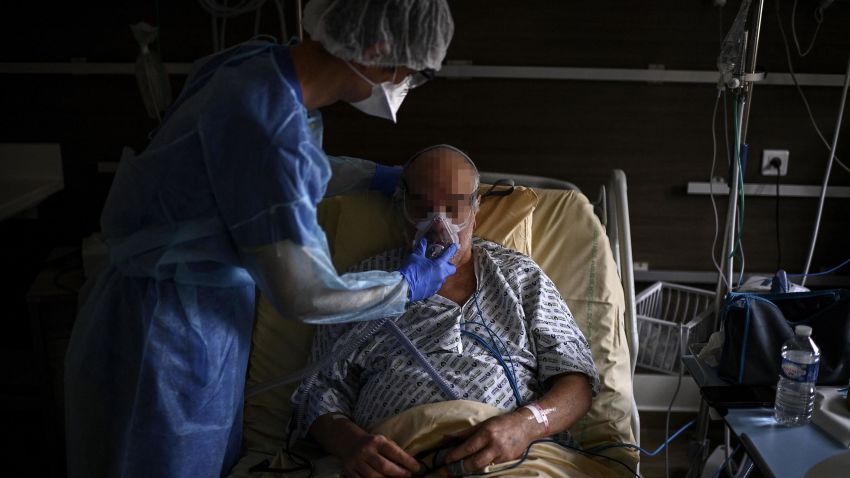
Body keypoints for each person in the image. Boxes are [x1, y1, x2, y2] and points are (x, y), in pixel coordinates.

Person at [63, 1, 455, 477]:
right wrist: (404, 286)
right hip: (168, 336)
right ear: (375, 50)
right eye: (411, 75)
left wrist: (370, 176)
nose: (405, 87)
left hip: (174, 306)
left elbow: (255, 173)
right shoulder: (269, 126)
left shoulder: (254, 66)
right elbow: (304, 291)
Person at [292, 145, 600, 478]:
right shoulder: (365, 284)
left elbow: (577, 381)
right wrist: (351, 445)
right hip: (395, 460)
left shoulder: (520, 276)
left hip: (509, 460)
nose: (438, 225)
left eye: (453, 208)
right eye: (422, 207)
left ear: (476, 205)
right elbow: (316, 392)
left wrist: (526, 425)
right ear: (402, 204)